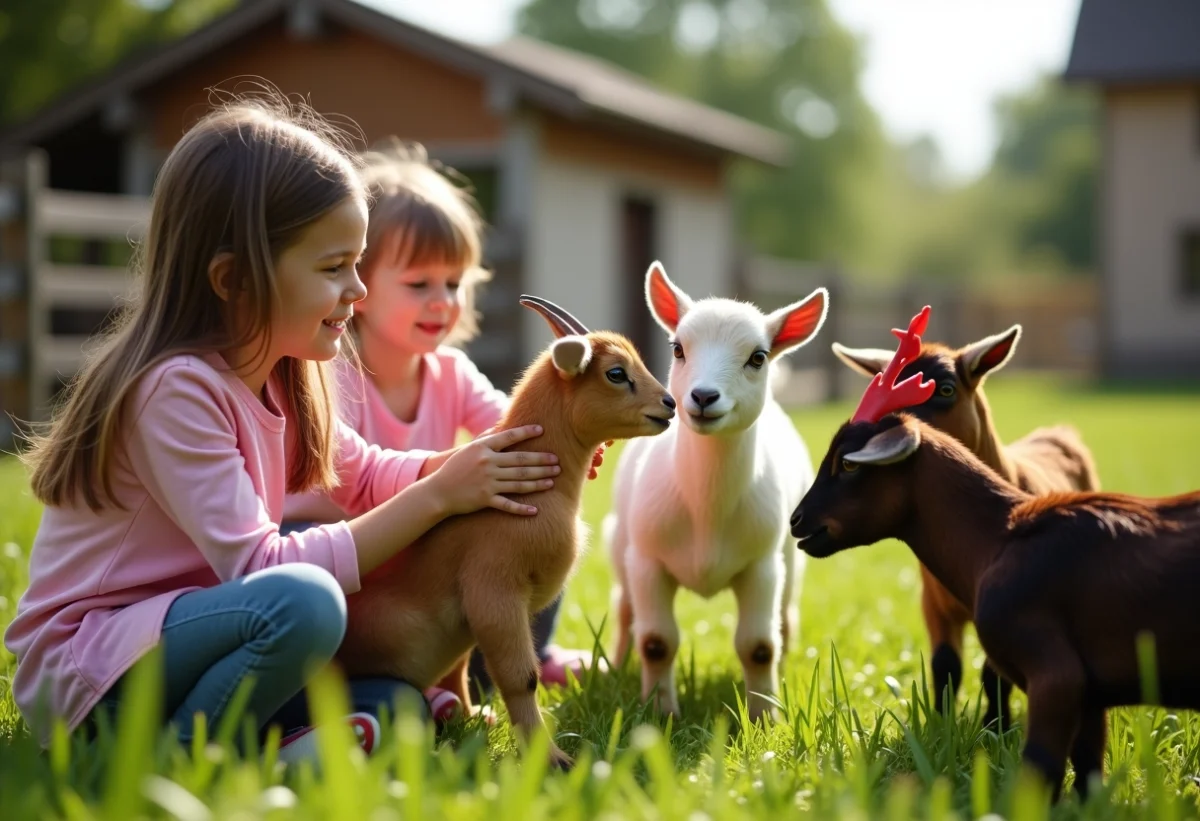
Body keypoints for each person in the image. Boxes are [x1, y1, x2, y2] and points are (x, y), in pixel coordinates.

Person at [3, 96, 562, 763]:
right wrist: (439, 496)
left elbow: (368, 474)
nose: (356, 290)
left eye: (357, 263)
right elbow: (259, 566)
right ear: (234, 279)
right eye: (333, 268)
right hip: (95, 671)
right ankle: (182, 755)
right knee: (306, 602)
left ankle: (275, 743)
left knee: (397, 701)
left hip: (209, 640)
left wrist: (477, 466)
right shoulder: (176, 389)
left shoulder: (288, 372)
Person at [282, 141, 606, 723]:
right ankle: (385, 681)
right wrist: (449, 476)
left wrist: (561, 447)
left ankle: (521, 654)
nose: (442, 302)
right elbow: (342, 477)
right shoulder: (333, 377)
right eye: (419, 284)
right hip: (356, 563)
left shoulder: (452, 373)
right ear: (360, 285)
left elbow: (516, 428)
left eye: (455, 283)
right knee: (305, 538)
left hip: (435, 579)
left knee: (535, 518)